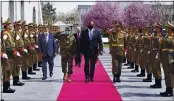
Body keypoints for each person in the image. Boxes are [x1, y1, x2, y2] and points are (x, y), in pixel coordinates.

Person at [1, 19, 15, 93]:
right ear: (6, 26)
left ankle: (8, 86)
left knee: (9, 70)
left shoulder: (9, 33)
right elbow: (4, 44)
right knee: (6, 71)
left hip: (10, 54)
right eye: (9, 24)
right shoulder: (5, 33)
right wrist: (4, 52)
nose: (11, 25)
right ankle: (5, 88)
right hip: (7, 54)